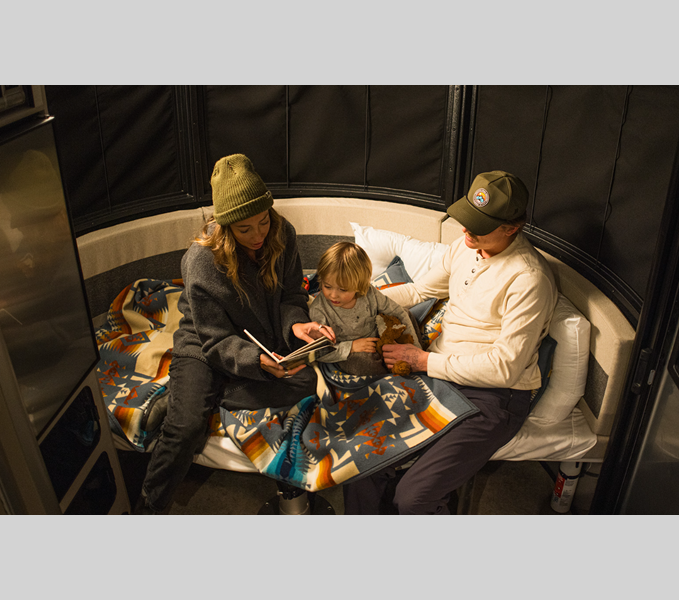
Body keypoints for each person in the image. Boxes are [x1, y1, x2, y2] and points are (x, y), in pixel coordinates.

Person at [342, 170, 558, 514]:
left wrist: (422, 360)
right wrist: (355, 303)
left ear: (511, 228)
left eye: (479, 226)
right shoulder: (464, 247)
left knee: (413, 498)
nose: (466, 230)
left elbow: (505, 368)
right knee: (359, 459)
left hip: (493, 397)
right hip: (437, 377)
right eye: (467, 219)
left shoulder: (528, 279)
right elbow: (419, 291)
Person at [135, 154, 332, 514]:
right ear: (225, 227)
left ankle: (207, 398)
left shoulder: (282, 232)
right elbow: (215, 340)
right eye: (245, 229)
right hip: (205, 344)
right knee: (185, 429)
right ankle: (147, 511)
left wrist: (296, 324)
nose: (258, 235)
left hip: (264, 336)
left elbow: (292, 295)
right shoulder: (200, 260)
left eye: (263, 221)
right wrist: (255, 361)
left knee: (305, 384)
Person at [309, 241, 421, 376]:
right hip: (349, 352)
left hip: (379, 340)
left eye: (343, 289)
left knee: (406, 314)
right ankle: (389, 373)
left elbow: (397, 311)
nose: (333, 295)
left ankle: (409, 360)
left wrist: (415, 351)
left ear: (359, 286)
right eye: (327, 286)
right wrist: (351, 347)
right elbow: (319, 352)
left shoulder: (369, 292)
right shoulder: (319, 310)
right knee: (363, 363)